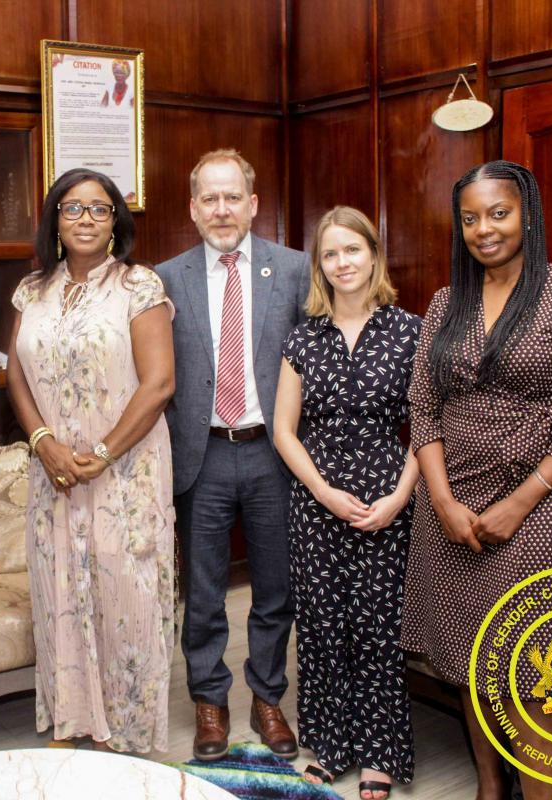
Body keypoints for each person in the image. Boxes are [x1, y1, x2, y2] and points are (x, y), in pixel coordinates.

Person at [402, 161, 552, 800]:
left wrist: (519, 504)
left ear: (528, 214)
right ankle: (490, 789)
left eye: (499, 213)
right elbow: (423, 408)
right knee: (471, 659)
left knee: (535, 670)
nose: (484, 229)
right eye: (470, 218)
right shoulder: (446, 302)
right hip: (451, 509)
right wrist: (442, 500)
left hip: (541, 508)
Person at [6, 168, 176, 753]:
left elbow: (159, 384)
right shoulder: (31, 291)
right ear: (55, 220)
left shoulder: (139, 286)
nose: (85, 219)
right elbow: (16, 377)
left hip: (126, 472)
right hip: (53, 471)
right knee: (60, 590)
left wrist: (102, 453)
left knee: (125, 595)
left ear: (115, 223)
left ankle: (123, 732)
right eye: (72, 208)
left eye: (99, 209)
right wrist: (42, 441)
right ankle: (73, 718)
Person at [156, 149, 309, 761]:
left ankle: (267, 697)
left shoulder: (294, 270)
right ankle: (210, 701)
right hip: (202, 455)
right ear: (193, 209)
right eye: (209, 199)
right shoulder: (165, 278)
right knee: (204, 591)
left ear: (253, 204)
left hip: (274, 452)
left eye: (232, 197)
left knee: (275, 587)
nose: (221, 209)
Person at [273, 207, 419, 800]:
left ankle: (380, 753)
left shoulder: (411, 332)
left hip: (388, 502)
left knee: (379, 628)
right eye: (330, 254)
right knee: (323, 627)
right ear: (320, 266)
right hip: (317, 503)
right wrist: (323, 491)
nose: (342, 263)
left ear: (374, 254)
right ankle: (331, 747)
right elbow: (285, 431)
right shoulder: (303, 338)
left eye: (352, 250)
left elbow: (428, 430)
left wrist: (399, 498)